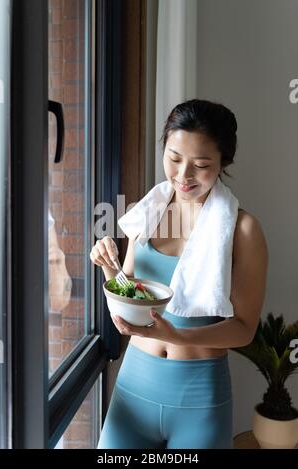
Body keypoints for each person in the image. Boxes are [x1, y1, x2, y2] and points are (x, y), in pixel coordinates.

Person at [90, 99, 269, 449]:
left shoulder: (243, 230)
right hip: (133, 388)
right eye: (173, 159)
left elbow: (245, 330)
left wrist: (177, 336)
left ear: (223, 164)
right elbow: (128, 301)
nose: (183, 176)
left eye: (200, 165)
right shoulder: (149, 211)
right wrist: (108, 265)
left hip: (198, 400)